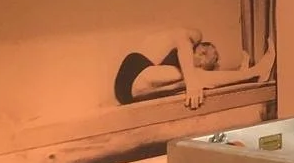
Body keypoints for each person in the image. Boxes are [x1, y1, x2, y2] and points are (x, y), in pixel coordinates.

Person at [114, 30, 276, 111]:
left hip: (133, 91)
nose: (201, 59)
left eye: (207, 62)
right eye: (203, 52)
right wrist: (192, 82)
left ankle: (249, 74)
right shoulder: (192, 38)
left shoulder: (181, 74)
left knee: (197, 78)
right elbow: (181, 39)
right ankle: (253, 73)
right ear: (196, 46)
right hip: (133, 72)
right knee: (194, 77)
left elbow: (205, 77)